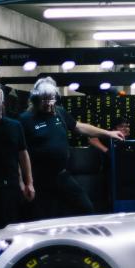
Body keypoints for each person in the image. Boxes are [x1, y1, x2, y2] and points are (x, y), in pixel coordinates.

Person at [18, 77, 124, 219]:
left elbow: (79, 127)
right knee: (44, 219)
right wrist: (25, 183)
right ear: (36, 99)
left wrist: (108, 133)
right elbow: (19, 154)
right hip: (40, 180)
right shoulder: (25, 119)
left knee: (86, 208)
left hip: (61, 175)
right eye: (45, 100)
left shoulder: (60, 112)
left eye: (52, 100)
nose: (49, 105)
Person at [0, 86, 34, 229]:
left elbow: (22, 154)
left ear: (2, 103)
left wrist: (28, 182)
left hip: (12, 187)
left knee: (14, 228)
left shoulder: (15, 126)